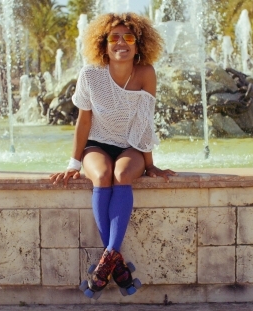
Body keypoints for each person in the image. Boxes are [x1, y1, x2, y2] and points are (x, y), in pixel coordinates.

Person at [50, 12, 176, 299]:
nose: (121, 42)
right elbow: (83, 121)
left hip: (131, 146)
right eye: (114, 37)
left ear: (138, 43)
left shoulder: (146, 73)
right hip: (96, 145)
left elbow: (145, 123)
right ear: (103, 44)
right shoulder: (90, 74)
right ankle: (116, 266)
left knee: (121, 174)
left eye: (128, 37)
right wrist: (73, 163)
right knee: (104, 174)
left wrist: (151, 165)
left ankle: (105, 265)